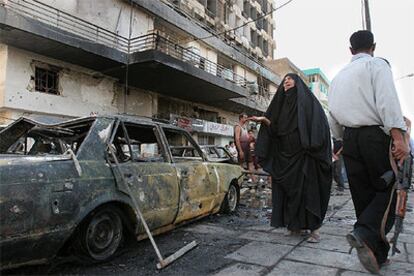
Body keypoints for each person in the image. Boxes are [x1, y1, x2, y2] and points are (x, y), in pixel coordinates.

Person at [328, 30, 410, 273]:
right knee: (389, 188)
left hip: (349, 137)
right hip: (375, 136)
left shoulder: (338, 77)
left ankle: (378, 254)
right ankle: (363, 232)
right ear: (373, 46)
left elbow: (331, 113)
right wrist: (398, 136)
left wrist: (342, 141)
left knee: (363, 195)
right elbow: (387, 100)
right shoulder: (377, 65)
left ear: (351, 50)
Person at [252, 73, 332, 243]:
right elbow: (277, 130)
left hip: (305, 157)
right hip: (286, 158)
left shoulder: (309, 104)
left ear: (298, 84)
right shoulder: (281, 107)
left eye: (290, 79)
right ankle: (294, 225)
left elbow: (320, 126)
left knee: (308, 193)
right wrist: (265, 121)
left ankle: (314, 229)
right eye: (284, 80)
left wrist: (312, 146)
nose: (286, 81)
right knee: (290, 194)